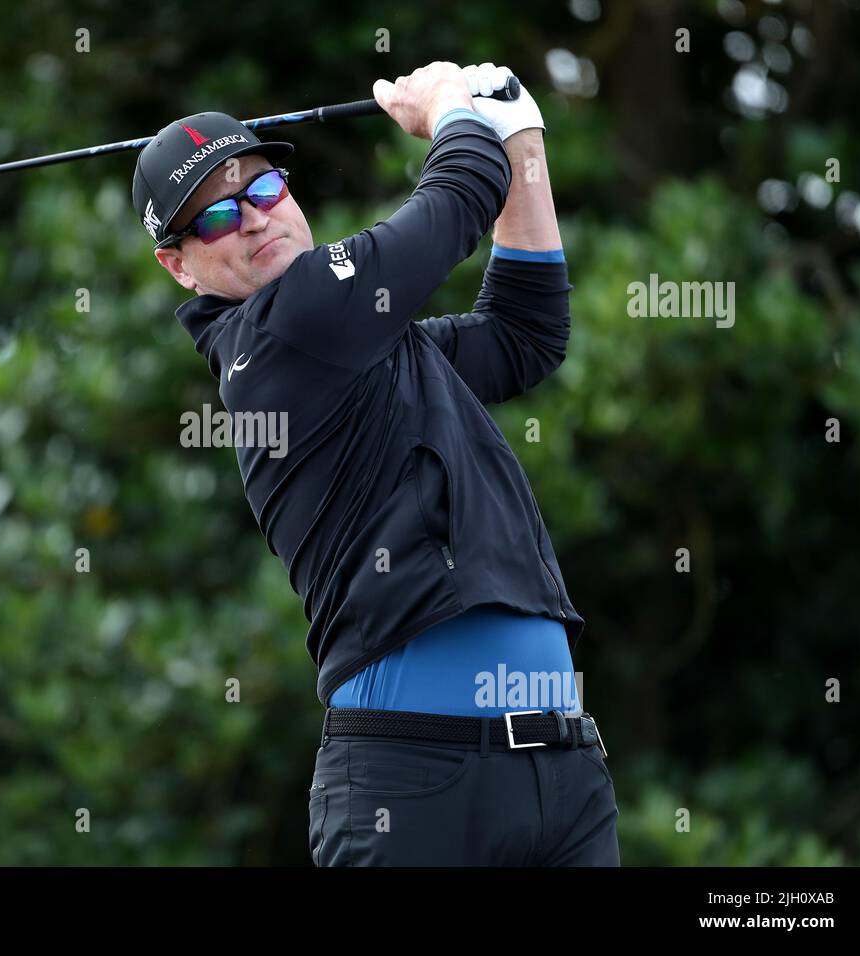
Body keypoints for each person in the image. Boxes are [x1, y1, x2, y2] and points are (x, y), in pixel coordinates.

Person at [132, 62, 619, 866]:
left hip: (560, 774)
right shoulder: (283, 331)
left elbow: (524, 335)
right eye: (217, 215)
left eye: (261, 189)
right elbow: (459, 194)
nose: (253, 219)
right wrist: (450, 109)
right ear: (179, 265)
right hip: (413, 782)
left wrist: (522, 136)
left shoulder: (372, 350)